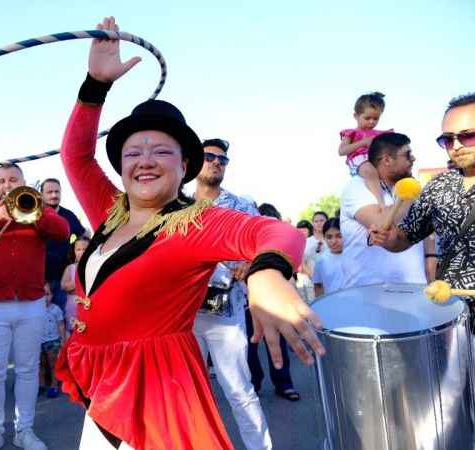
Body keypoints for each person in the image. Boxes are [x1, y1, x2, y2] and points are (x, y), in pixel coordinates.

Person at [54, 17, 324, 450]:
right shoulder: (110, 209)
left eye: (161, 151)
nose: (145, 160)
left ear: (184, 167)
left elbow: (277, 232)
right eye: (133, 152)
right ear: (122, 165)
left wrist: (266, 273)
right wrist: (94, 87)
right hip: (106, 385)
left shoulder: (195, 221)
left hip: (158, 391)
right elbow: (75, 156)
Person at [0, 163, 70, 450]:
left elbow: (63, 230)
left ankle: (24, 430)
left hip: (30, 302)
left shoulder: (36, 205)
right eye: (2, 181)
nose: (7, 185)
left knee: (28, 370)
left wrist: (37, 214)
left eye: (13, 180)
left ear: (23, 181)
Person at [191, 138, 272, 450]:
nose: (216, 162)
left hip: (227, 312)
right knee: (189, 393)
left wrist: (252, 261)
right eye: (209, 156)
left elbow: (266, 241)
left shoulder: (242, 206)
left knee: (239, 389)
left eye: (222, 160)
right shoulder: (177, 204)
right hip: (184, 315)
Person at [371, 93, 475, 296]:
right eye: (447, 140)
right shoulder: (438, 185)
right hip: (452, 311)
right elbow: (404, 238)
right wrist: (389, 238)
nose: (456, 146)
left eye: (468, 136)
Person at [340, 132, 426, 288]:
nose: (413, 158)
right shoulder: (357, 186)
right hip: (369, 294)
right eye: (407, 155)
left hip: (415, 290)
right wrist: (410, 195)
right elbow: (381, 224)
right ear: (387, 160)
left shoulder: (406, 187)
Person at [246, 203, 299, 403]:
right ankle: (253, 384)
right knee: (250, 345)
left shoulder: (282, 245)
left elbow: (290, 275)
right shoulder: (244, 242)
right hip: (246, 302)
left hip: (275, 303)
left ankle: (284, 383)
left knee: (277, 343)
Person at [338, 92, 392, 210]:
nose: (372, 122)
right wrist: (363, 143)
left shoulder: (378, 134)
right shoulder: (351, 133)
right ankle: (381, 202)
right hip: (358, 159)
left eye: (376, 119)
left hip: (374, 159)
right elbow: (341, 151)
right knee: (370, 171)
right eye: (367, 118)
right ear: (356, 116)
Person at [42, 178, 88, 313]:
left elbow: (84, 236)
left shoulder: (68, 215)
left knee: (61, 317)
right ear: (41, 195)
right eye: (49, 192)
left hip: (63, 278)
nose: (54, 195)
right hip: (39, 280)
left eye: (57, 191)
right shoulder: (33, 215)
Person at [39, 283, 66, 399]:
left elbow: (61, 325)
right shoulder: (34, 310)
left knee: (53, 365)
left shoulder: (56, 309)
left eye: (47, 294)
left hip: (53, 341)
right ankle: (40, 385)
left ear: (52, 295)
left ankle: (54, 385)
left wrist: (63, 339)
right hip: (38, 342)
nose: (45, 298)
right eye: (41, 295)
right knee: (40, 365)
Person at [61, 237, 90, 333]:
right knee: (74, 333)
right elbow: (64, 286)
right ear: (74, 252)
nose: (81, 252)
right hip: (73, 307)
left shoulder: (94, 267)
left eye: (85, 249)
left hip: (89, 307)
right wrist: (79, 284)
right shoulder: (70, 268)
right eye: (78, 249)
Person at [312, 218, 345, 297]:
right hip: (333, 304)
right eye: (329, 237)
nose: (334, 241)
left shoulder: (354, 255)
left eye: (339, 236)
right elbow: (318, 285)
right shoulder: (321, 260)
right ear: (324, 238)